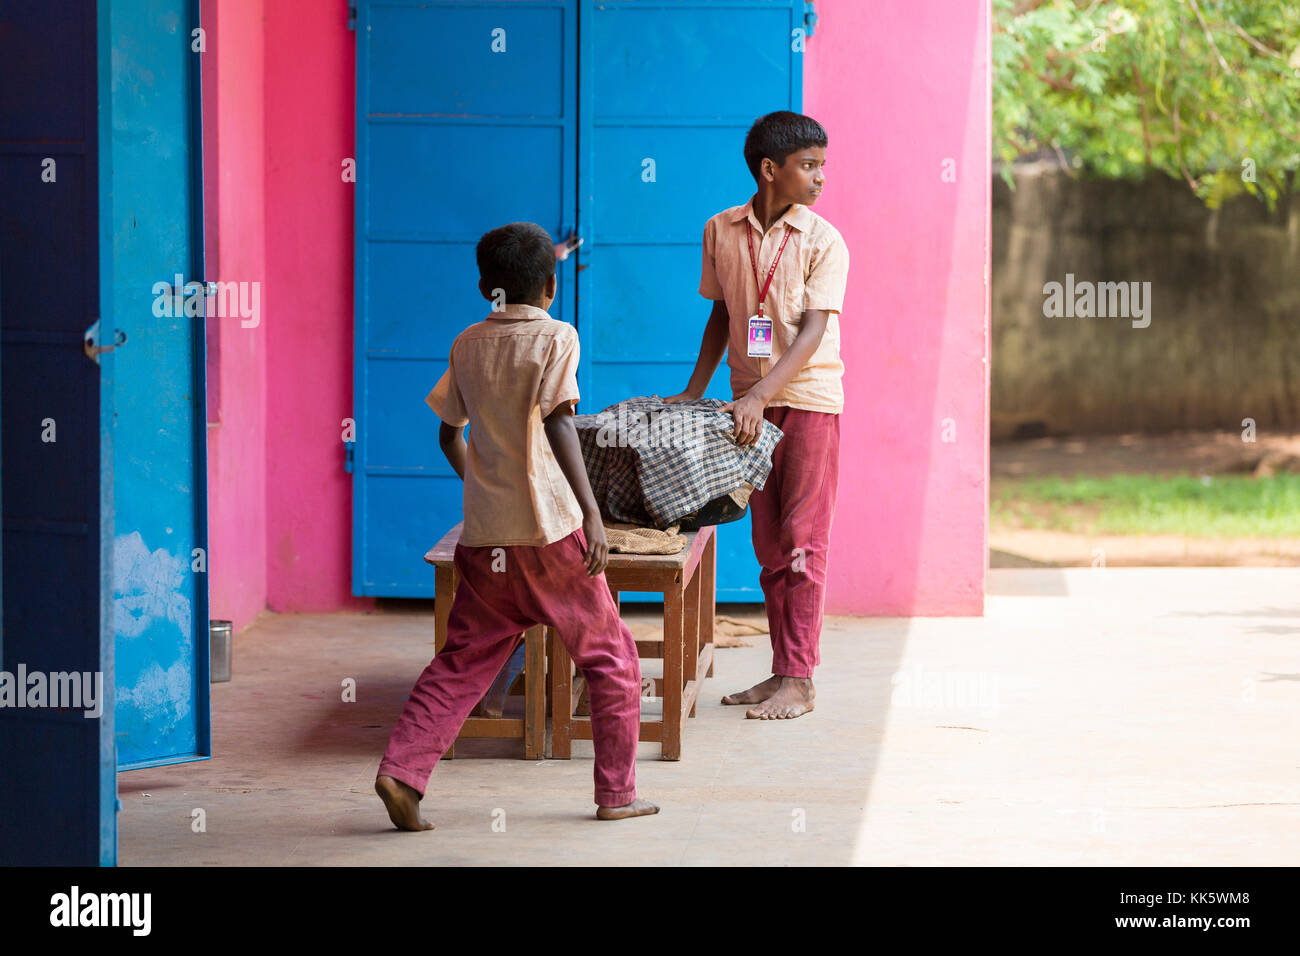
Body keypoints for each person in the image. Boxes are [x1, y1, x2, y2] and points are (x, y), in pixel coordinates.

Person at [375, 222, 659, 828]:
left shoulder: (466, 344)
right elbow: (560, 422)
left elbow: (448, 433)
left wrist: (480, 485)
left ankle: (402, 772)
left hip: (485, 539)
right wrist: (590, 512)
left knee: (461, 660)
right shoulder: (558, 337)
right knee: (612, 658)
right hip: (550, 534)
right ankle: (617, 795)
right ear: (552, 287)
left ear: (485, 287)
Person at [665, 111, 849, 721]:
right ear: (771, 171)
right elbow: (720, 315)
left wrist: (760, 396)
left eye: (822, 164)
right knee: (770, 544)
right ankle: (781, 673)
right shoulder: (720, 229)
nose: (821, 177)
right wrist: (696, 391)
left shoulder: (824, 240)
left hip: (806, 402)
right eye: (809, 166)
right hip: (752, 405)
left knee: (802, 542)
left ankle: (801, 678)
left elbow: (814, 332)